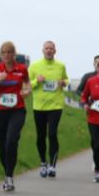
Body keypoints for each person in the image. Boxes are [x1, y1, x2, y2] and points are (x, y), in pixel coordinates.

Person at [0, 41, 31, 192]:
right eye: (4, 52)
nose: (6, 55)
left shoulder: (22, 69)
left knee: (11, 141)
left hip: (17, 110)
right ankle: (7, 173)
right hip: (0, 111)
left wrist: (27, 91)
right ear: (0, 54)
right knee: (2, 144)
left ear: (14, 54)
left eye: (9, 52)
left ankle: (9, 177)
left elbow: (27, 85)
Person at [28, 40, 69, 178]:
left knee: (52, 134)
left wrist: (64, 82)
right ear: (42, 50)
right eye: (46, 48)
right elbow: (26, 85)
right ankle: (43, 163)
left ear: (55, 51)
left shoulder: (61, 66)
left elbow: (66, 80)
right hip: (39, 106)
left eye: (51, 48)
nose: (49, 50)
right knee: (40, 136)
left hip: (55, 105)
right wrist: (36, 81)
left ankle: (52, 165)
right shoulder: (34, 66)